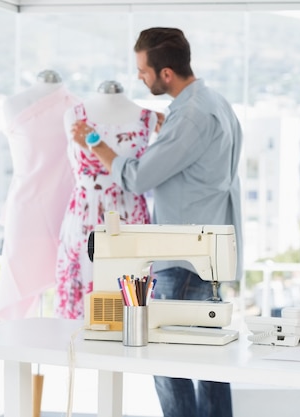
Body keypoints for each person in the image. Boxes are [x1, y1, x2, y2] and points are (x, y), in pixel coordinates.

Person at [70, 27, 243, 417]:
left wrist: (95, 142)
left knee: (167, 364)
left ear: (166, 73)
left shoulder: (192, 116)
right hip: (204, 252)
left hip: (181, 259)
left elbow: (138, 177)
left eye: (143, 70)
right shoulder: (213, 103)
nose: (139, 77)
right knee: (211, 365)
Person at [55, 80, 156, 319]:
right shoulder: (74, 115)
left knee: (130, 308)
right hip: (84, 219)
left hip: (130, 219)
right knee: (81, 310)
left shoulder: (147, 118)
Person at [0, 70, 79, 319]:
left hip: (68, 214)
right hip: (27, 212)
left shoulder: (78, 107)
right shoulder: (12, 105)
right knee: (18, 290)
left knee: (67, 294)